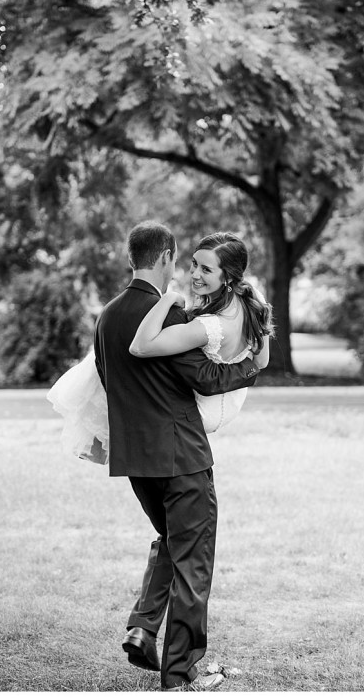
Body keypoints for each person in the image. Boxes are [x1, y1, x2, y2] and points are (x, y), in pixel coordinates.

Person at [94, 221, 262, 691]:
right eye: (184, 260)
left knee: (171, 542)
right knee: (194, 564)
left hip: (135, 461)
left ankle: (143, 628)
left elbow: (107, 382)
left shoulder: (106, 316)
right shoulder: (169, 315)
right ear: (166, 256)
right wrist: (252, 367)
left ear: (133, 257)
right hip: (182, 458)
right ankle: (179, 674)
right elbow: (207, 378)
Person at [129, 232, 273, 429]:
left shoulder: (210, 326)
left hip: (200, 413)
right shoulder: (253, 297)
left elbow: (139, 347)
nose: (195, 274)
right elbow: (261, 361)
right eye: (195, 263)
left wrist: (167, 299)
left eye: (206, 270)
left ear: (228, 277)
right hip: (231, 404)